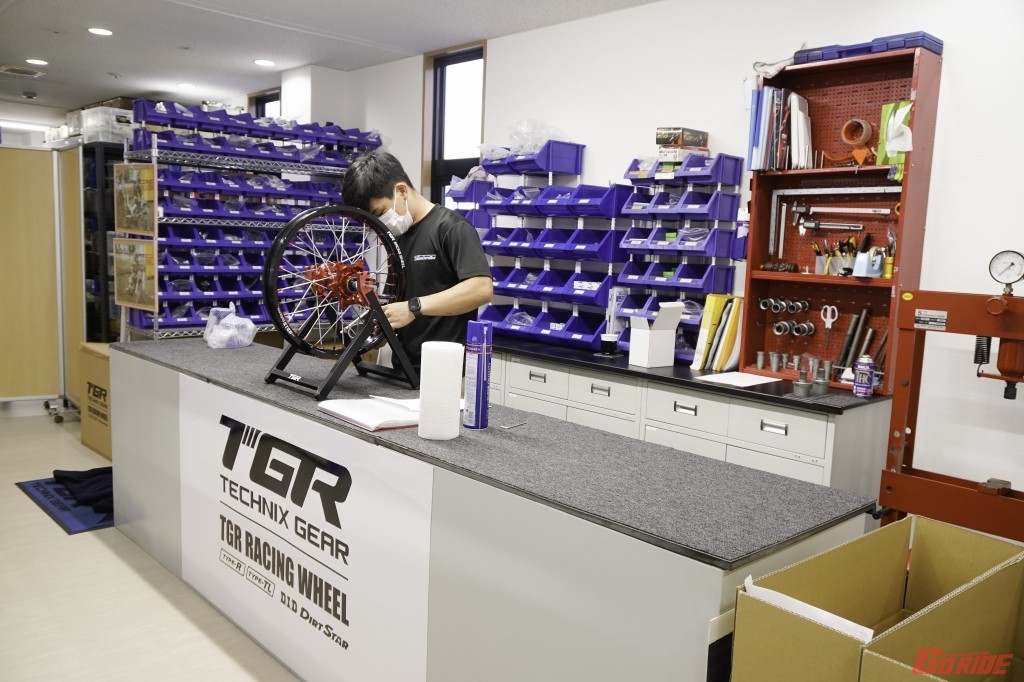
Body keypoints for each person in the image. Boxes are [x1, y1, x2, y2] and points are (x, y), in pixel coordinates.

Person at [341, 150, 493, 369]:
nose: (379, 224)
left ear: (401, 190)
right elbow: (397, 300)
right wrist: (379, 327)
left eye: (380, 212)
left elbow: (481, 289)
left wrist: (414, 307)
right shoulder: (397, 238)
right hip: (404, 370)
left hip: (446, 372)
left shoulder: (451, 228)